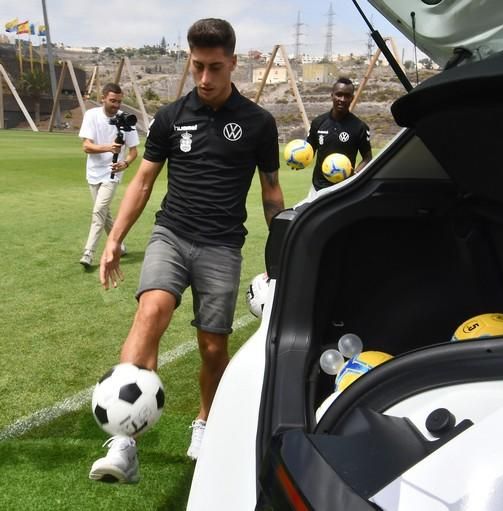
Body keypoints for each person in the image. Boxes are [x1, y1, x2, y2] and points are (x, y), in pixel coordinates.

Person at [88, 18, 285, 484]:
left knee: (212, 345)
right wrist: (114, 239)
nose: (205, 78)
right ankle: (123, 442)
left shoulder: (258, 123)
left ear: (233, 64)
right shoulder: (172, 116)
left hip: (222, 246)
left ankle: (204, 422)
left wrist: (281, 255)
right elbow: (143, 180)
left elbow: (272, 191)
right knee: (149, 313)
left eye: (215, 67)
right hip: (171, 235)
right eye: (197, 66)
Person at [78, 83, 139, 268]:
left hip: (112, 174)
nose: (116, 105)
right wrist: (109, 147)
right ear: (103, 98)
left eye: (119, 102)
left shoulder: (126, 120)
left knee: (98, 212)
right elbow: (86, 147)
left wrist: (125, 163)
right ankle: (119, 244)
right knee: (105, 214)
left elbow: (134, 151)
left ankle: (88, 253)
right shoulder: (91, 115)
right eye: (112, 101)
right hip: (93, 172)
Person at [306, 77, 372, 198]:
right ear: (332, 95)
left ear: (352, 98)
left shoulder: (360, 127)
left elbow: (367, 158)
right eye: (339, 95)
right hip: (318, 188)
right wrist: (299, 160)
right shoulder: (318, 122)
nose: (342, 99)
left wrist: (355, 174)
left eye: (347, 96)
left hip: (345, 189)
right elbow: (309, 150)